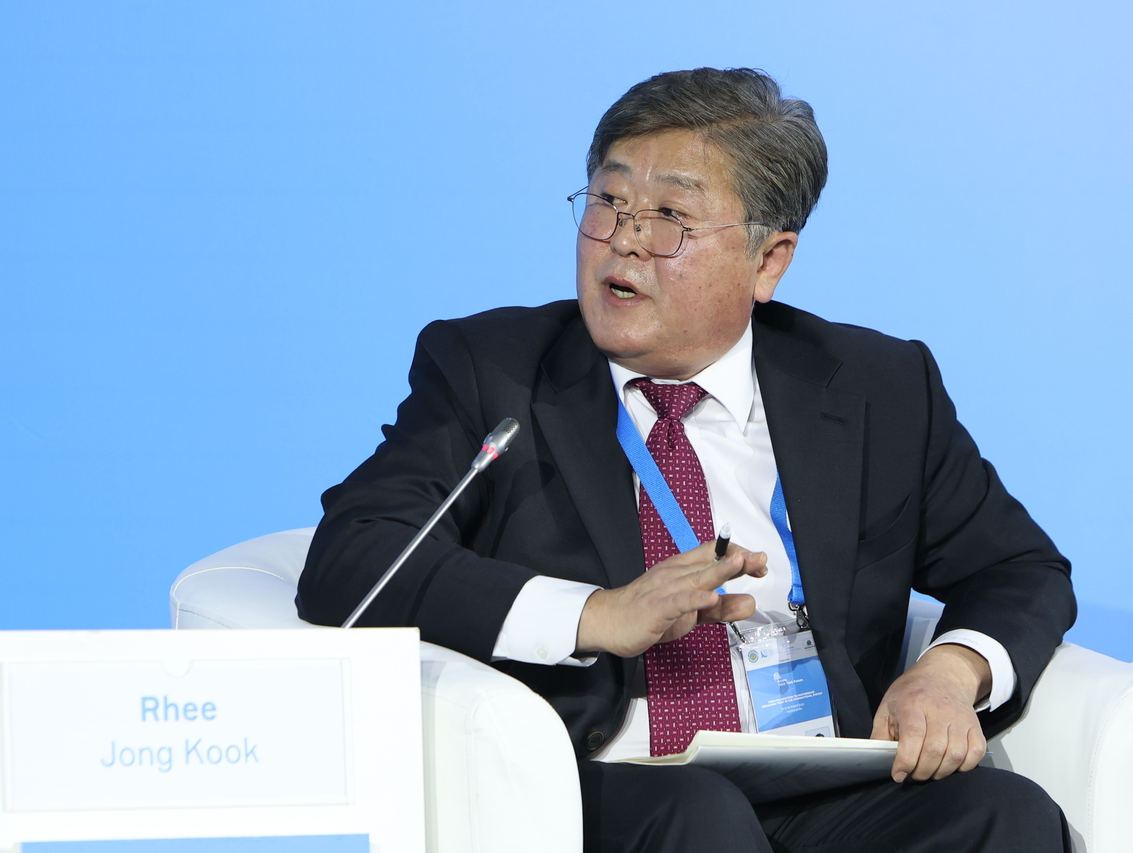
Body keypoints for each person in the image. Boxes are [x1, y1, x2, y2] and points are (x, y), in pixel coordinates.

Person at [296, 67, 1076, 852]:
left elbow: (1018, 568)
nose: (625, 239)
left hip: (817, 775)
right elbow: (355, 557)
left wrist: (950, 669)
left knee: (1004, 814)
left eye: (670, 215)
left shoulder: (876, 385)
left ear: (768, 261)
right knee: (700, 814)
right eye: (607, 202)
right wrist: (595, 614)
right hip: (609, 782)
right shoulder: (490, 369)